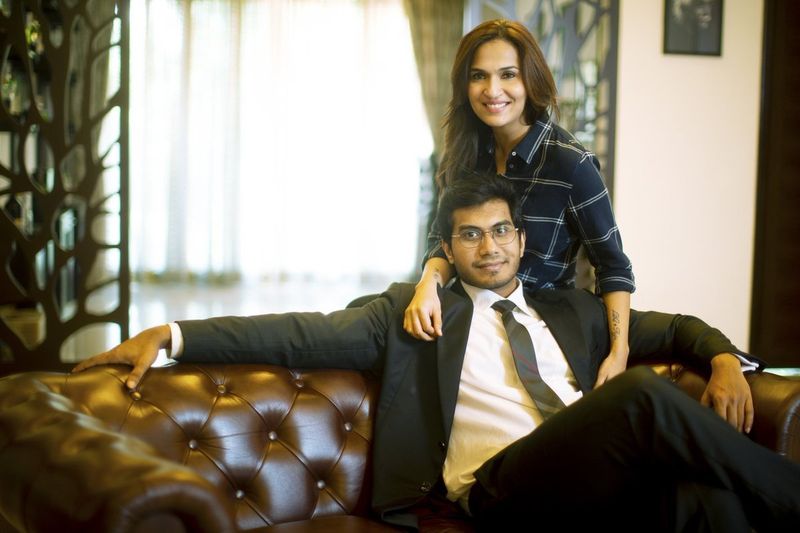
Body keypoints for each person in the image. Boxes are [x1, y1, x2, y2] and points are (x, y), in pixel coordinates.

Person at [74, 175, 799, 532]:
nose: (490, 247)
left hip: (591, 479)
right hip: (501, 490)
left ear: (522, 239)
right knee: (637, 396)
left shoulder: (573, 309)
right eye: (470, 235)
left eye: (501, 231)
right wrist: (172, 335)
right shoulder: (415, 316)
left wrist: (725, 361)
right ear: (448, 248)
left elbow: (678, 329)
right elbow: (297, 332)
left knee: (703, 500)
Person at [405, 19, 634, 390]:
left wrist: (618, 352)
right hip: (468, 322)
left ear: (531, 80)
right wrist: (427, 286)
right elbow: (440, 239)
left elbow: (613, 266)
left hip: (541, 333)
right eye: (478, 76)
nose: (492, 90)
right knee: (379, 313)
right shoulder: (465, 152)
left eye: (508, 74)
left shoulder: (571, 164)